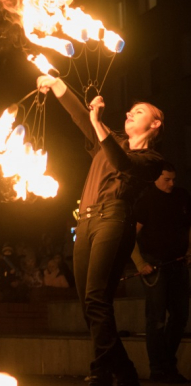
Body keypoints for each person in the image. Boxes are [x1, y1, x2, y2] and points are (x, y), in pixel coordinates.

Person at [38, 75, 165, 386]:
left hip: (114, 220)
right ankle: (118, 371)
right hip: (85, 222)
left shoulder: (153, 160)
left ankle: (104, 371)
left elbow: (123, 164)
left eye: (139, 111)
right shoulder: (109, 140)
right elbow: (81, 117)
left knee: (96, 298)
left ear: (156, 124)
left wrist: (99, 123)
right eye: (129, 111)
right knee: (89, 305)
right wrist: (57, 86)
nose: (129, 113)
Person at [131, 162, 191, 383]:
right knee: (156, 319)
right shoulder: (146, 200)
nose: (172, 183)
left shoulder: (182, 196)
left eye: (174, 179)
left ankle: (167, 364)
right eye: (167, 179)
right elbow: (131, 235)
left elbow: (188, 226)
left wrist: (189, 250)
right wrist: (139, 263)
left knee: (180, 315)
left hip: (178, 264)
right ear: (156, 178)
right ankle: (158, 368)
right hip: (155, 265)